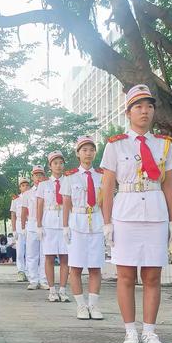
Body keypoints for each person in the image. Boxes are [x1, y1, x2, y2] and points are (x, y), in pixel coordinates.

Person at [100, 84, 172, 343]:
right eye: (139, 106)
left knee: (153, 275)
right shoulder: (115, 145)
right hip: (126, 213)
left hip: (155, 212)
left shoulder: (164, 145)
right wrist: (107, 221)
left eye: (149, 106)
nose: (145, 111)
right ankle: (130, 331)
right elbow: (107, 186)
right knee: (125, 275)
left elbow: (170, 185)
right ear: (128, 112)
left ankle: (150, 331)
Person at [61, 136, 105, 320]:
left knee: (95, 267)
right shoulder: (70, 177)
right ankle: (81, 306)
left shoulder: (102, 175)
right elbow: (66, 203)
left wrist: (109, 223)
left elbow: (105, 202)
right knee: (76, 267)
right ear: (78, 154)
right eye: (84, 150)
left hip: (96, 220)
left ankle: (93, 305)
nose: (88, 153)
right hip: (77, 222)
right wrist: (65, 226)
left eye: (91, 149)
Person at [36, 151, 70, 302]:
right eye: (55, 163)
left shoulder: (69, 181)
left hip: (65, 222)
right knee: (49, 257)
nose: (58, 166)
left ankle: (62, 289)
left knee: (65, 258)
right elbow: (39, 205)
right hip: (49, 222)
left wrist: (69, 224)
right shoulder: (43, 184)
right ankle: (52, 290)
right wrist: (38, 225)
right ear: (50, 166)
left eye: (61, 163)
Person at [21, 165, 49, 291]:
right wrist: (22, 227)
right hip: (32, 224)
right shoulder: (27, 193)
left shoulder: (49, 189)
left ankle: (44, 280)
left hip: (46, 224)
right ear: (32, 177)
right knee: (32, 254)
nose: (38, 177)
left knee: (45, 254)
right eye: (36, 175)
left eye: (40, 175)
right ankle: (33, 279)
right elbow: (23, 211)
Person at [10, 177, 30, 281]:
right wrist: (14, 230)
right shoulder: (16, 199)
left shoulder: (33, 197)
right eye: (23, 185)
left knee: (30, 250)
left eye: (27, 185)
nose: (25, 187)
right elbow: (13, 215)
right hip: (18, 224)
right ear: (20, 187)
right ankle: (21, 271)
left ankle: (29, 271)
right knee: (20, 250)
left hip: (30, 223)